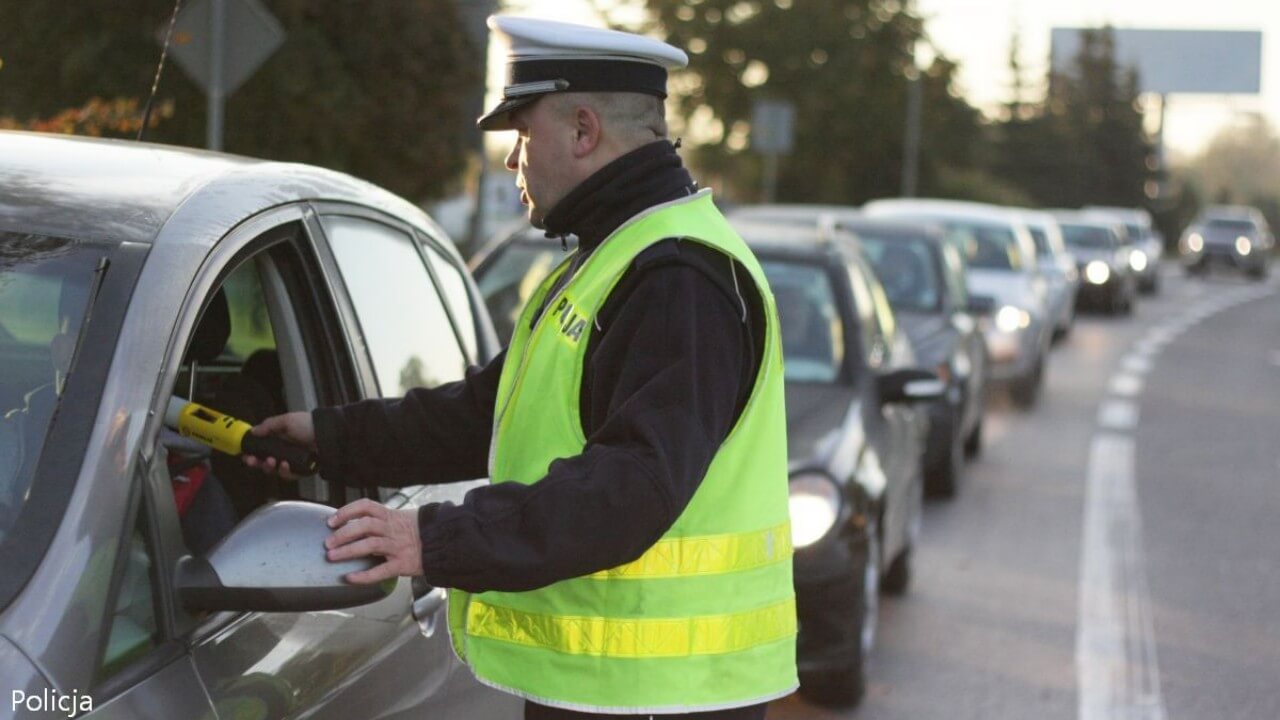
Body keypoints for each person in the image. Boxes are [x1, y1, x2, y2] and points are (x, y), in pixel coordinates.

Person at [245, 16, 796, 719]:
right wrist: (327, 435)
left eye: (521, 134)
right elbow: (484, 412)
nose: (511, 162)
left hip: (661, 698)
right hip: (624, 691)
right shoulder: (616, 255)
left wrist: (431, 537)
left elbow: (631, 487)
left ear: (583, 132)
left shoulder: (678, 276)